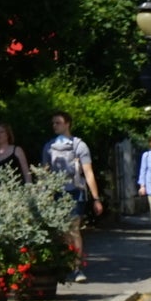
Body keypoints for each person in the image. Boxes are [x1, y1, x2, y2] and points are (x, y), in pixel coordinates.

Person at [44, 112, 100, 281]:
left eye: (58, 123)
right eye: (53, 123)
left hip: (75, 190)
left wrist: (96, 198)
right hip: (56, 191)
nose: (55, 126)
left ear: (67, 124)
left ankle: (76, 268)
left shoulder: (79, 146)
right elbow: (44, 172)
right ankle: (64, 265)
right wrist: (43, 193)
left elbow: (88, 172)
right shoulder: (48, 147)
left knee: (74, 228)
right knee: (61, 232)